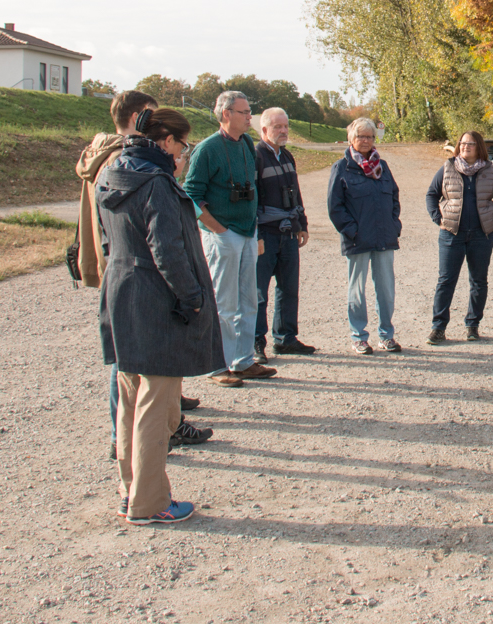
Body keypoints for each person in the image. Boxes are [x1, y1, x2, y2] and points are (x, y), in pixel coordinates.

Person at [97, 108, 226, 525]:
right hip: (156, 300)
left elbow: (105, 238)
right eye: (183, 145)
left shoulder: (112, 173)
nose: (184, 154)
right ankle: (149, 501)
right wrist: (192, 298)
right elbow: (167, 250)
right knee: (155, 404)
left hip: (121, 293)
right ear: (166, 142)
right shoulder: (156, 185)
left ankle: (129, 489)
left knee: (130, 399)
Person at [76, 90, 206, 453]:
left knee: (132, 375)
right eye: (152, 116)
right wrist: (191, 294)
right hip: (142, 276)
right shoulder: (136, 168)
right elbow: (163, 244)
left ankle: (140, 450)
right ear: (139, 121)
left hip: (120, 271)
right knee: (136, 380)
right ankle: (135, 453)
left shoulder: (114, 164)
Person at [183, 91, 274, 388]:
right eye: (244, 112)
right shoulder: (207, 149)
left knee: (249, 299)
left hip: (247, 232)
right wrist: (217, 229)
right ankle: (217, 364)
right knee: (223, 302)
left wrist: (254, 230)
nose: (250, 117)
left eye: (250, 111)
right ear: (226, 114)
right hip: (223, 235)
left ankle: (244, 360)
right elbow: (190, 195)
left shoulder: (247, 143)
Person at [424, 131, 493, 344]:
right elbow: (431, 195)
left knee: (478, 281)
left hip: (482, 234)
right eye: (462, 143)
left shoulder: (490, 171)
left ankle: (473, 325)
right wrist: (438, 218)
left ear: (479, 147)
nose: (465, 146)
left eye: (470, 144)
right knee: (446, 280)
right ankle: (438, 327)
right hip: (452, 234)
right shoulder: (447, 167)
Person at [327, 118, 401, 354]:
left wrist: (393, 224)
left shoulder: (383, 166)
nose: (366, 141)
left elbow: (394, 199)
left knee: (386, 290)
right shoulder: (341, 168)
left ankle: (386, 335)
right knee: (356, 290)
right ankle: (359, 336)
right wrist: (352, 231)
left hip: (384, 238)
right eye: (360, 136)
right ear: (351, 139)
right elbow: (334, 206)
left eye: (369, 136)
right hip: (358, 239)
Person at [252, 107, 315, 359]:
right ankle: (256, 342)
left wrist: (302, 224)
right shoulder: (255, 156)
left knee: (288, 288)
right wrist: (254, 233)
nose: (283, 131)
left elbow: (296, 192)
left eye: (286, 126)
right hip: (265, 234)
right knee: (258, 292)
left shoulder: (287, 156)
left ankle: (286, 338)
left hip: (288, 233)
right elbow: (251, 199)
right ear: (264, 129)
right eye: (278, 127)